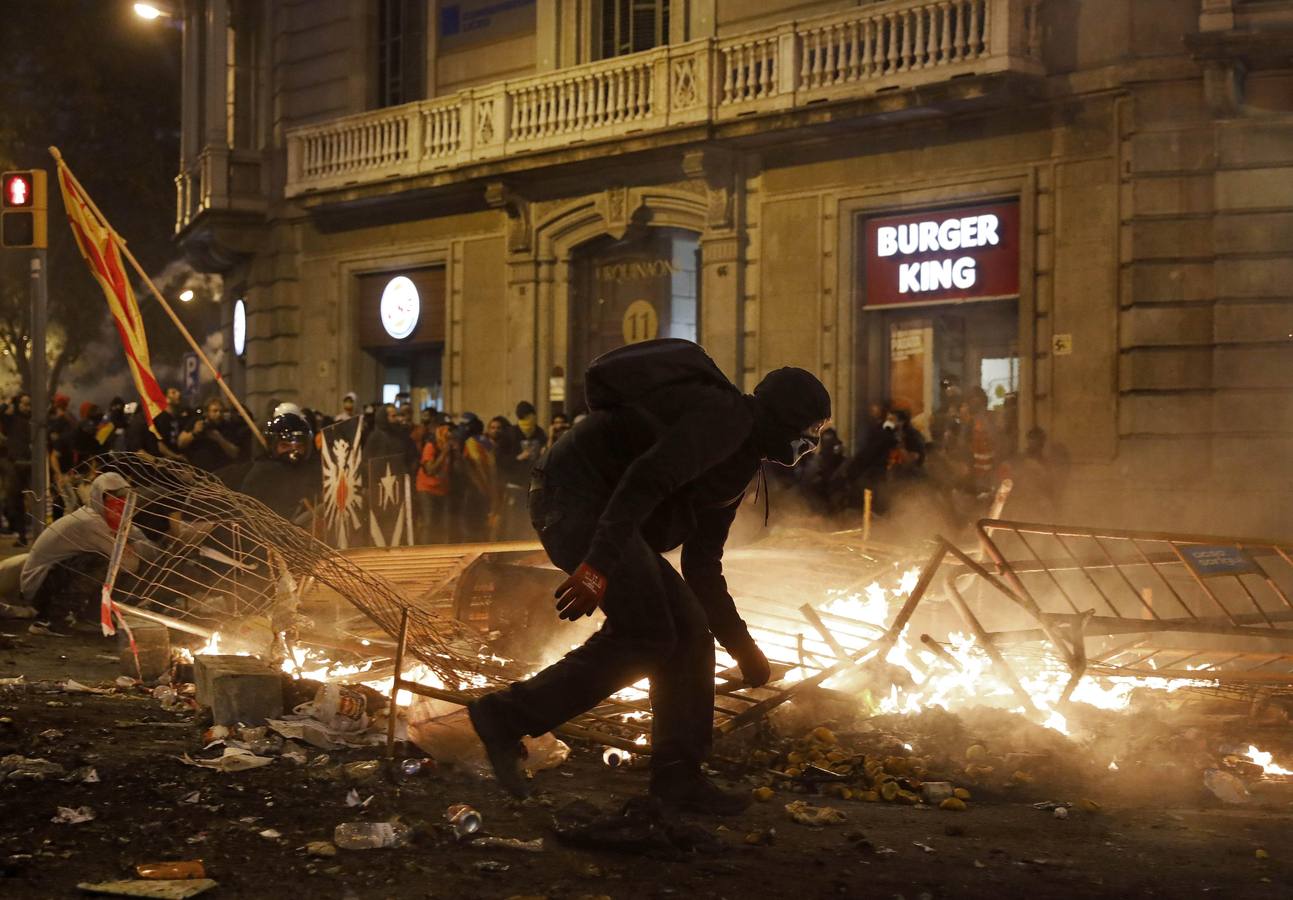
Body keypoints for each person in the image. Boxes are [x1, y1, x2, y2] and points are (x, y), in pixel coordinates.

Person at [467, 340, 831, 814]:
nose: (811, 445)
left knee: (689, 632)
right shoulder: (724, 419)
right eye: (810, 431)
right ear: (785, 418)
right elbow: (645, 479)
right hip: (574, 500)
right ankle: (502, 717)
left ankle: (679, 777)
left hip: (609, 516)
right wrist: (597, 566)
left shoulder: (739, 460)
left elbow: (703, 567)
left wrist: (745, 651)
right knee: (647, 633)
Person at [21, 471, 161, 633]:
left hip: (50, 579)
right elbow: (129, 564)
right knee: (102, 563)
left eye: (123, 502)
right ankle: (51, 619)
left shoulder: (109, 520)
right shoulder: (91, 522)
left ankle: (92, 615)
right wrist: (129, 549)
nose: (119, 508)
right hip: (40, 588)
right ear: (98, 499)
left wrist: (132, 547)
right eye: (111, 501)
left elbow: (151, 550)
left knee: (111, 563)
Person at [239, 412, 322, 524]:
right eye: (285, 446)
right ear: (274, 446)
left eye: (299, 446)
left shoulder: (312, 471)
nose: (293, 452)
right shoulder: (263, 473)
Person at [414, 414, 453, 544]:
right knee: (428, 522)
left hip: (442, 489)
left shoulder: (451, 445)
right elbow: (430, 470)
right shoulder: (431, 445)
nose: (448, 432)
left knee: (443, 523)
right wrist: (444, 453)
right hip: (427, 488)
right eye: (445, 429)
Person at [178, 397, 242, 473]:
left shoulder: (228, 426)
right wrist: (194, 433)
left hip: (221, 471)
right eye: (215, 411)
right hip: (197, 472)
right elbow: (180, 443)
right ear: (207, 412)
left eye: (221, 411)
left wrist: (219, 439)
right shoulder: (197, 422)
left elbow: (235, 453)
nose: (218, 414)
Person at [3, 394, 32, 546]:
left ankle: (26, 535)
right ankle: (21, 535)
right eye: (24, 404)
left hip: (32, 465)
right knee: (15, 501)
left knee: (36, 500)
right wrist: (8, 402)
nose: (27, 407)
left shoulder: (35, 421)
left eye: (29, 404)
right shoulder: (11, 420)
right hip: (16, 465)